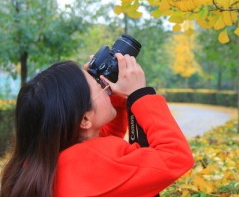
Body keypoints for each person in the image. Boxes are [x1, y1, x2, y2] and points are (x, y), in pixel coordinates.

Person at [0, 53, 194, 197]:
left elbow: (101, 144)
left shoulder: (38, 166)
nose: (105, 86)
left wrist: (116, 96)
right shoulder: (95, 164)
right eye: (98, 86)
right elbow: (176, 156)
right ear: (84, 120)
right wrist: (139, 94)